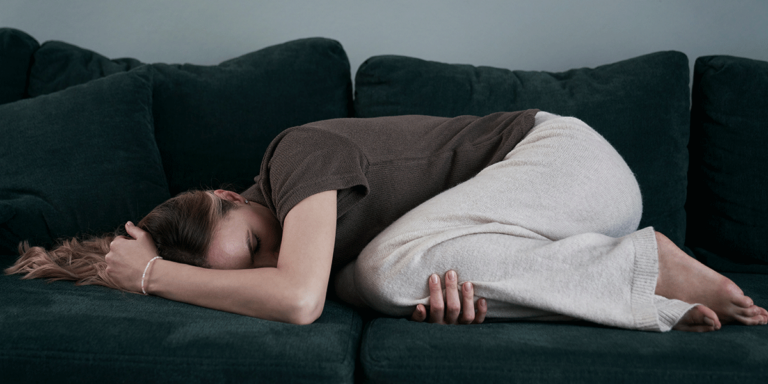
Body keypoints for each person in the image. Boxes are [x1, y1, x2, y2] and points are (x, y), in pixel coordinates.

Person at [6, 110, 767, 331]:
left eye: (261, 246)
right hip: (552, 218)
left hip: (567, 162)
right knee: (387, 281)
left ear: (231, 197)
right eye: (261, 266)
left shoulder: (295, 154)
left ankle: (645, 264)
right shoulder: (269, 209)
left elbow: (299, 302)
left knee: (373, 274)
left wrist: (150, 276)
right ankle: (631, 283)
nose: (280, 262)